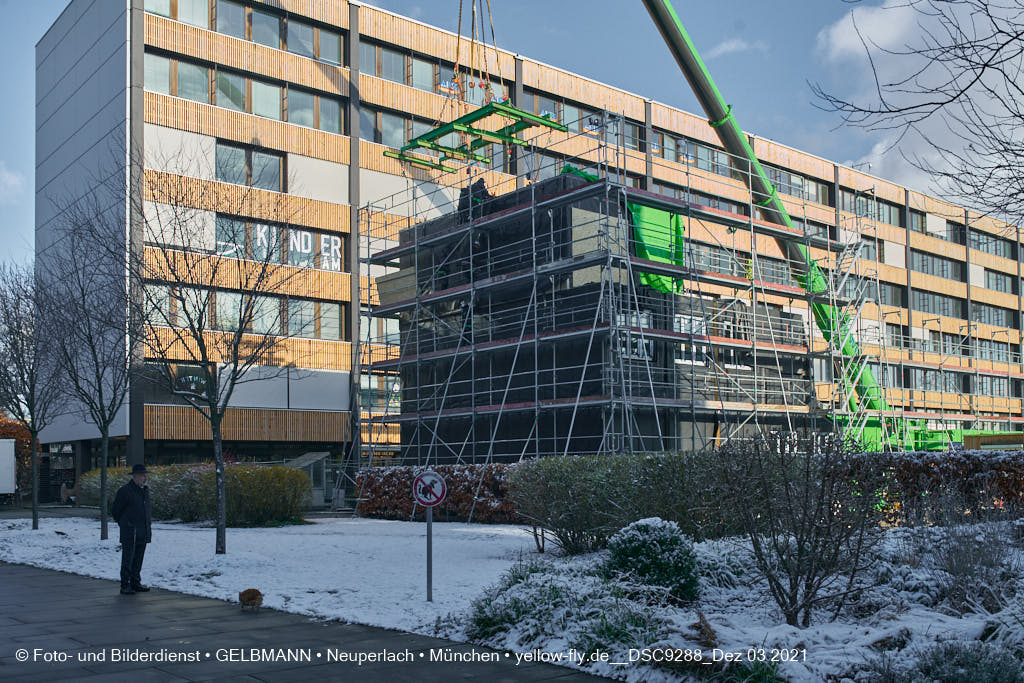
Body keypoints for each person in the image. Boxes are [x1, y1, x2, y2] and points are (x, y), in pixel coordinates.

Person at [111, 464, 152, 595]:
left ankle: (135, 582)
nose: (144, 478)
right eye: (142, 475)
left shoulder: (145, 491)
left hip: (142, 530)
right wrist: (126, 524)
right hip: (130, 531)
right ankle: (125, 584)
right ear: (134, 477)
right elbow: (116, 511)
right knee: (128, 558)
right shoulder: (125, 491)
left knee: (139, 558)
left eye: (145, 475)